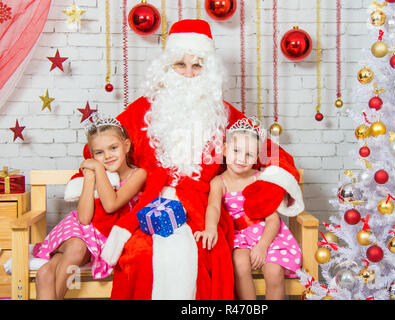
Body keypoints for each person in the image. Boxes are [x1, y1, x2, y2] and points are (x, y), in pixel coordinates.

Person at [99, 19, 305, 300]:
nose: (188, 73)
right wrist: (92, 176)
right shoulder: (141, 111)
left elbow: (273, 154)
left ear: (208, 71)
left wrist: (264, 192)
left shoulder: (224, 113)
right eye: (180, 65)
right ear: (167, 68)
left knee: (201, 254)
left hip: (202, 206)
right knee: (141, 256)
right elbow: (101, 148)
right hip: (148, 204)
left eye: (197, 66)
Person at [32, 113, 147, 299]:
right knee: (76, 248)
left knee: (45, 274)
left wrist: (98, 169)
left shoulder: (138, 175)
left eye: (113, 148)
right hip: (78, 228)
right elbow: (84, 219)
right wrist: (89, 176)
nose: (107, 156)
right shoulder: (94, 174)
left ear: (126, 146)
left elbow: (111, 205)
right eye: (99, 153)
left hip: (101, 235)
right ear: (93, 155)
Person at [194, 118, 302, 299]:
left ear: (257, 157)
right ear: (225, 150)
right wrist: (211, 228)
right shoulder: (219, 182)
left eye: (249, 155)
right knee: (239, 264)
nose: (241, 159)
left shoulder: (260, 179)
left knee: (274, 272)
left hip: (267, 235)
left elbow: (273, 219)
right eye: (236, 151)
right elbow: (213, 207)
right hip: (239, 237)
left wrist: (263, 246)